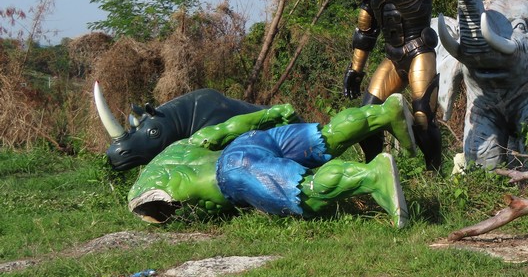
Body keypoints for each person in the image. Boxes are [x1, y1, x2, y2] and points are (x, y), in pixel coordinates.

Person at [126, 95, 416, 228]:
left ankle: (372, 176)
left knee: (306, 192)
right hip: (249, 141)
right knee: (326, 137)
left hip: (233, 171)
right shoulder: (179, 147)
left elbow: (158, 216)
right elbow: (226, 128)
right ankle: (385, 113)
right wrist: (271, 113)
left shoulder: (144, 189)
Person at [343, 0, 443, 171]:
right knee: (368, 116)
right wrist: (355, 70)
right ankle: (374, 171)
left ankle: (435, 173)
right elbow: (365, 31)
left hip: (419, 51)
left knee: (423, 117)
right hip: (393, 57)